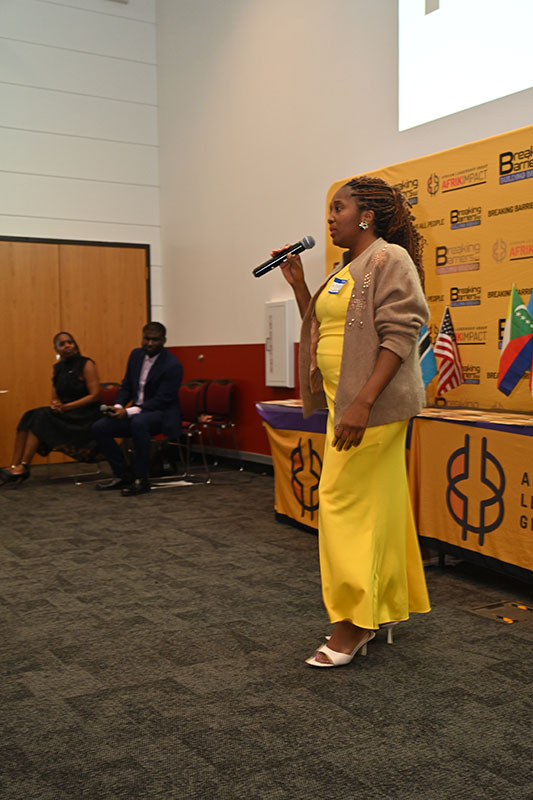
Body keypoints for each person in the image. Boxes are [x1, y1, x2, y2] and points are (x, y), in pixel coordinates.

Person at [278, 175, 431, 667]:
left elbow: (401, 334)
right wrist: (300, 286)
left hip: (372, 410)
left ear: (366, 215)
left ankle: (353, 622)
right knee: (380, 506)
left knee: (340, 503)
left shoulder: (389, 258)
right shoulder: (346, 267)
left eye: (338, 208)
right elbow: (324, 326)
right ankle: (378, 608)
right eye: (330, 208)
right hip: (342, 405)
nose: (330, 217)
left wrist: (363, 403)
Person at [92, 321, 182, 496]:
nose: (149, 343)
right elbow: (126, 385)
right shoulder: (136, 355)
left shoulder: (172, 365)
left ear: (164, 341)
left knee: (139, 423)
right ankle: (123, 475)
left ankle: (142, 479)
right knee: (100, 427)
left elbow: (162, 400)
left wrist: (128, 412)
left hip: (162, 414)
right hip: (136, 412)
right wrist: (118, 406)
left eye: (155, 339)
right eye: (146, 339)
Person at [0, 332, 101, 485]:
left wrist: (66, 407)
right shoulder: (58, 368)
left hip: (85, 415)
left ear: (75, 345)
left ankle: (24, 466)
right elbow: (55, 396)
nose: (67, 346)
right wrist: (56, 404)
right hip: (66, 414)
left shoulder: (86, 364)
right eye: (62, 344)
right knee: (29, 415)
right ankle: (15, 465)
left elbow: (95, 395)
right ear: (56, 349)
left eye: (70, 342)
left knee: (41, 417)